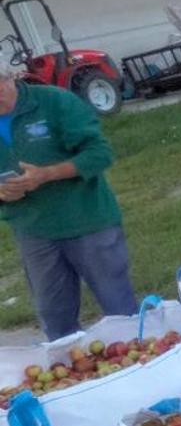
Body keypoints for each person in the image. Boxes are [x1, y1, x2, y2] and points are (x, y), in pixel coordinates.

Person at [0, 68, 135, 340]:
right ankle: (72, 364)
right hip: (34, 230)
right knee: (55, 319)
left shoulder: (54, 101)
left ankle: (144, 356)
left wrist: (46, 175)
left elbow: (99, 154)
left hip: (88, 221)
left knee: (120, 309)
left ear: (10, 76)